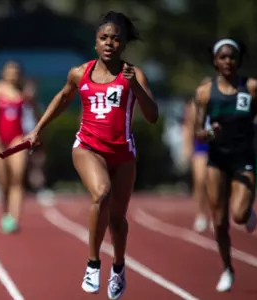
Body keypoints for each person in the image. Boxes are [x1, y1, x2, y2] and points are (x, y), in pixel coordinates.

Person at [24, 11, 158, 299]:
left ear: (123, 44)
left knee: (118, 221)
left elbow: (152, 116)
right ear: (96, 42)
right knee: (101, 193)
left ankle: (119, 266)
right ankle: (93, 263)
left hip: (123, 153)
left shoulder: (133, 74)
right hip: (88, 146)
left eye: (116, 39)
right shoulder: (79, 72)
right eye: (104, 38)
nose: (109, 43)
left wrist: (135, 85)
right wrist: (37, 129)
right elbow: (62, 98)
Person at [193, 38, 257, 292]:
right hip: (217, 161)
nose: (227, 61)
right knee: (220, 222)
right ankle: (227, 268)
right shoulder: (205, 91)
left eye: (231, 57)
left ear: (238, 60)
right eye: (222, 57)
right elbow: (199, 131)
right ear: (215, 61)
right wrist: (210, 133)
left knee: (239, 215)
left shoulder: (252, 88)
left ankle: (247, 208)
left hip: (243, 159)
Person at [0, 60, 38, 233]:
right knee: (3, 179)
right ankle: (5, 211)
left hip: (17, 139)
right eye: (10, 70)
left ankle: (14, 218)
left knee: (17, 177)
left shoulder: (24, 93)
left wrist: (32, 99)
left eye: (16, 70)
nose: (13, 74)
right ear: (3, 73)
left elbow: (35, 115)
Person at [182, 97, 210, 232]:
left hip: (219, 147)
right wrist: (187, 147)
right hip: (201, 147)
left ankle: (218, 215)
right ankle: (201, 214)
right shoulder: (195, 105)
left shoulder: (223, 101)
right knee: (200, 180)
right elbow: (188, 125)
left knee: (218, 184)